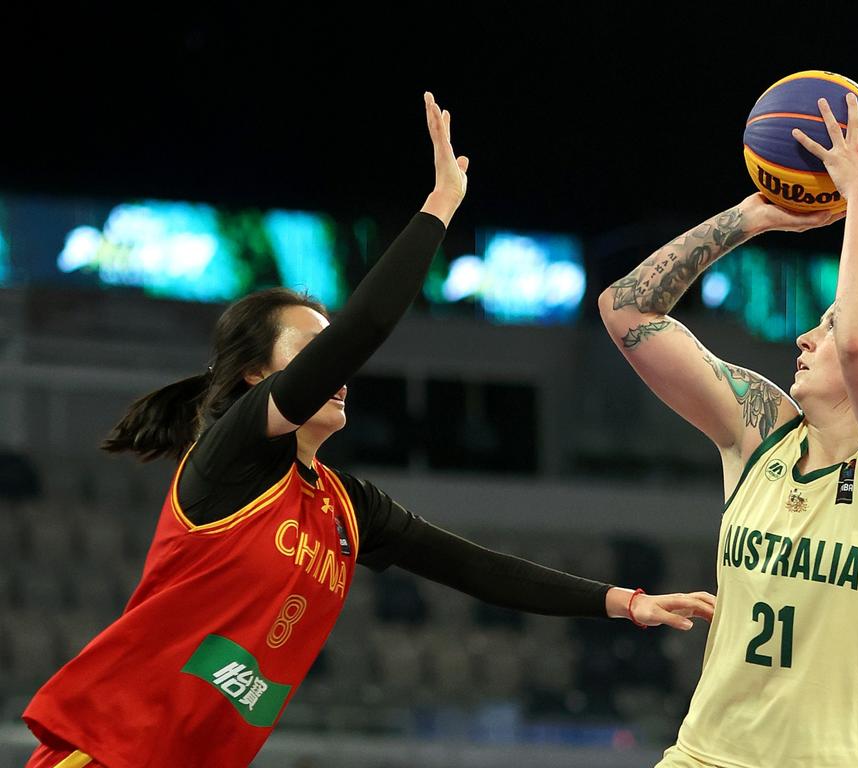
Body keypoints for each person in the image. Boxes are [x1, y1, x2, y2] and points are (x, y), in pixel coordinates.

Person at [21, 93, 716, 768]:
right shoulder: (233, 457)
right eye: (310, 354)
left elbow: (476, 569)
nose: (336, 371)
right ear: (254, 379)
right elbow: (364, 330)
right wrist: (440, 206)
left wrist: (625, 602)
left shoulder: (345, 509)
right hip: (106, 753)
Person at [599, 93, 858, 768]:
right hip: (705, 757)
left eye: (825, 324)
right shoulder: (761, 429)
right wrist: (747, 219)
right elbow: (626, 311)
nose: (804, 337)